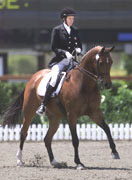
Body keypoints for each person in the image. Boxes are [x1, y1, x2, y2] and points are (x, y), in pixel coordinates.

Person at [36, 7, 82, 115]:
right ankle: (43, 104)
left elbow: (79, 44)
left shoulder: (75, 30)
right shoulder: (57, 30)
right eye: (70, 18)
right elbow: (54, 47)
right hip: (60, 61)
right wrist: (65, 53)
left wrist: (79, 49)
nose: (72, 20)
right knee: (54, 78)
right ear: (64, 19)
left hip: (72, 61)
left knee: (82, 74)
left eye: (73, 19)